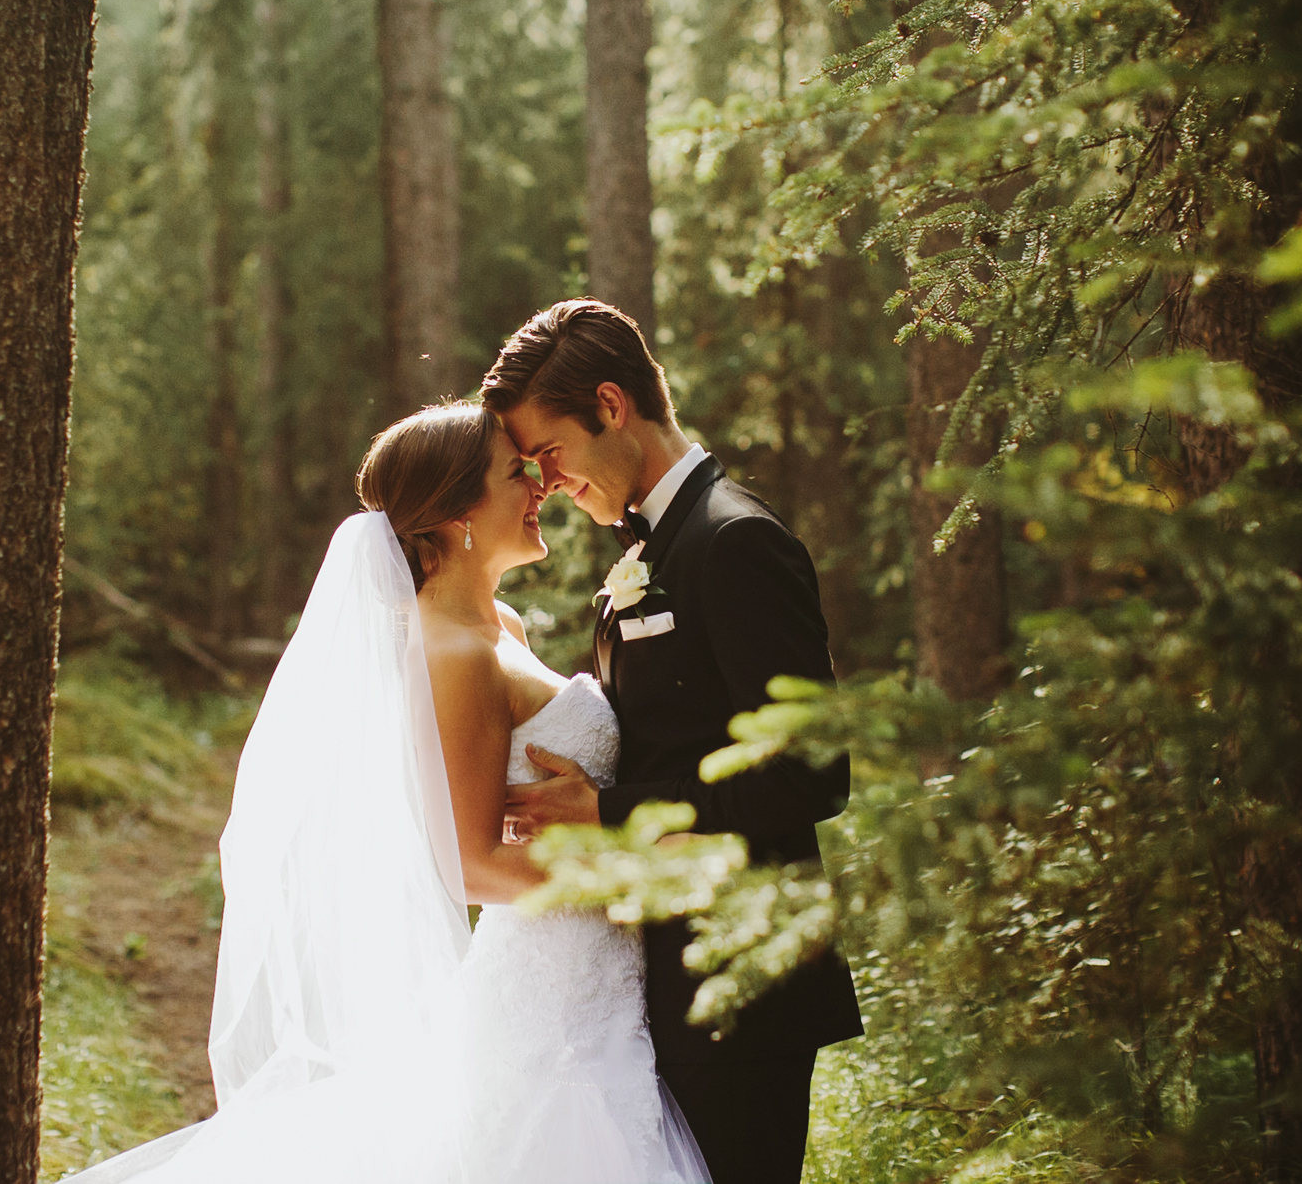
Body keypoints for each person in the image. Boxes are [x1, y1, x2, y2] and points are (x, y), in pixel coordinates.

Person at [59, 403, 706, 1184]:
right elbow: (467, 863)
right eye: (515, 473)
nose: (538, 487)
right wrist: (629, 870)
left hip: (587, 978)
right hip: (554, 999)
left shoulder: (499, 627)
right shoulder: (455, 650)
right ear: (458, 513)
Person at [486, 299, 864, 1184]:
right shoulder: (646, 547)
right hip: (648, 979)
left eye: (550, 455)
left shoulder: (735, 541)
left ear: (611, 407)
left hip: (742, 986)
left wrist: (610, 812)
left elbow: (812, 775)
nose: (545, 482)